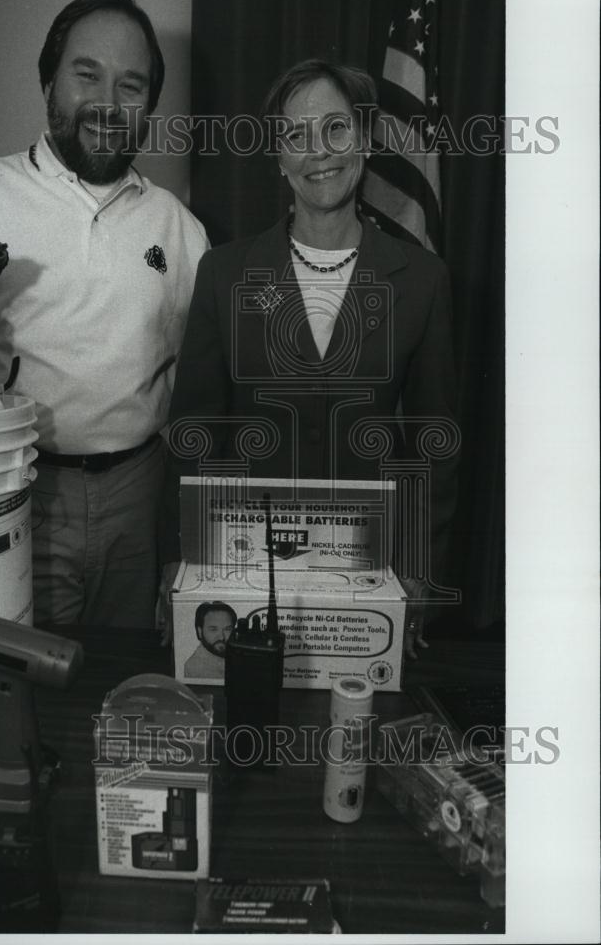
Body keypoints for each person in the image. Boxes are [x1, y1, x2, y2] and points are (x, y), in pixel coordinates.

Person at [0, 0, 209, 630]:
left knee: (123, 676)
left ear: (150, 106)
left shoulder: (181, 230)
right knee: (13, 677)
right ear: (49, 81)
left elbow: (205, 382)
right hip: (9, 485)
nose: (109, 103)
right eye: (88, 74)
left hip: (140, 499)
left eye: (131, 85)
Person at [162, 59, 460, 658]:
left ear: (365, 139)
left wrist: (421, 564)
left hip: (371, 568)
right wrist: (182, 565)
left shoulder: (422, 279)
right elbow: (194, 435)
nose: (317, 152)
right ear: (277, 155)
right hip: (247, 565)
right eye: (295, 135)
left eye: (335, 129)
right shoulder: (224, 273)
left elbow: (435, 439)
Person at [183, 601, 237, 679]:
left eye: (227, 629)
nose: (221, 637)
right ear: (200, 631)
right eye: (213, 629)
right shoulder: (196, 668)